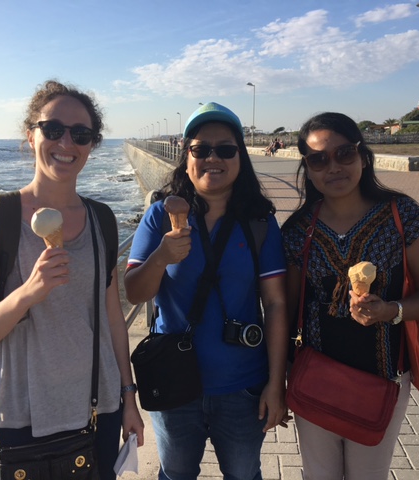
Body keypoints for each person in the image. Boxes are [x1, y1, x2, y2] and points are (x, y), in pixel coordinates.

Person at [0, 80, 144, 479]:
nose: (66, 142)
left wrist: (129, 397)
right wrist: (27, 293)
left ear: (92, 145)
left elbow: (112, 319)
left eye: (81, 134)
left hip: (98, 407)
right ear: (31, 135)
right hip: (19, 417)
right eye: (53, 129)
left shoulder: (102, 220)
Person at [125, 102, 289, 480]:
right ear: (187, 158)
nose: (213, 158)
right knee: (175, 474)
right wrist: (161, 257)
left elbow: (277, 304)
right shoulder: (161, 215)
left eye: (226, 149)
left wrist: (276, 384)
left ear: (240, 158)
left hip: (243, 385)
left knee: (244, 475)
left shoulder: (260, 222)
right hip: (173, 384)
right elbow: (134, 292)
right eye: (201, 149)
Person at [281, 112, 419, 480]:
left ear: (363, 155)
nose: (333, 166)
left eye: (344, 153)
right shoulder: (297, 231)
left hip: (383, 376)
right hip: (314, 376)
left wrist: (392, 310)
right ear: (307, 169)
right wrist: (276, 379)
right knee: (318, 475)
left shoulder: (402, 215)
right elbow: (286, 311)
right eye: (319, 159)